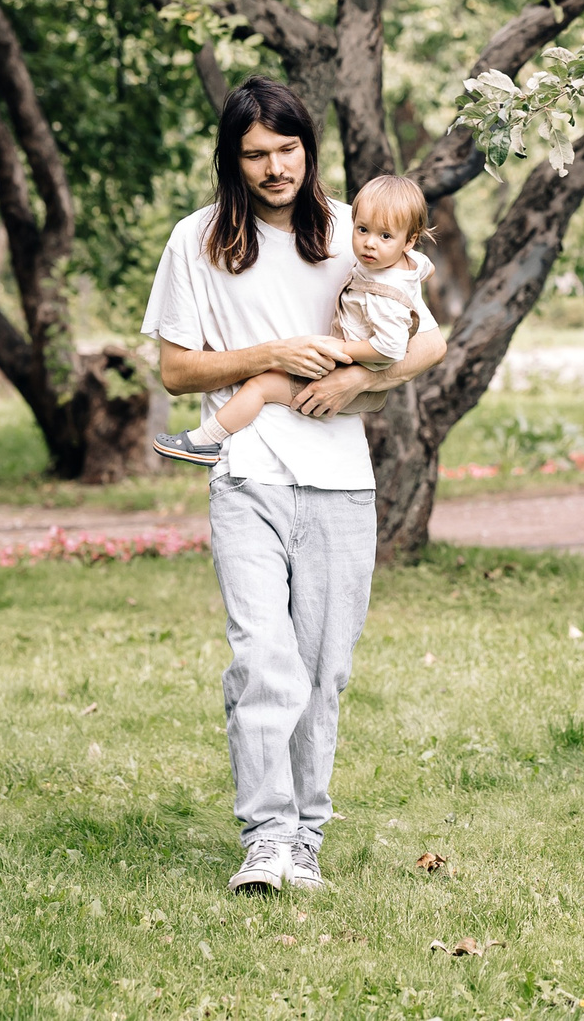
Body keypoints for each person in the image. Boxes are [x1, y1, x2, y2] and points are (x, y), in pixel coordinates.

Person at [141, 78, 444, 895]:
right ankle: (267, 837)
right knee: (263, 659)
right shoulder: (196, 241)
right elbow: (175, 368)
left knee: (323, 669)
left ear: (307, 148)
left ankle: (307, 837)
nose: (275, 167)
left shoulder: (358, 228)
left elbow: (430, 338)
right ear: (231, 160)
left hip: (341, 482)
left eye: (288, 148)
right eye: (256, 153)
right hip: (246, 474)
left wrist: (355, 386)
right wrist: (272, 352)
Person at [151, 173, 438, 465]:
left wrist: (345, 357)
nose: (369, 244)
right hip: (257, 462)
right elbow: (420, 268)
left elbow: (398, 347)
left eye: (385, 236)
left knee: (261, 386)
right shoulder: (398, 265)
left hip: (347, 382)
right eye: (362, 230)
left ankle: (204, 441)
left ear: (409, 241)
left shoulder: (386, 291)